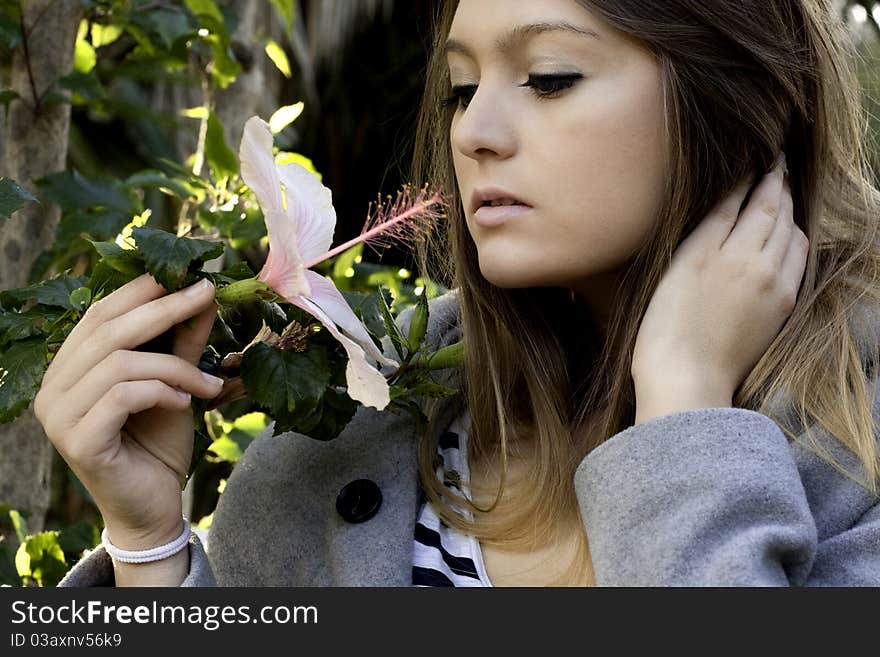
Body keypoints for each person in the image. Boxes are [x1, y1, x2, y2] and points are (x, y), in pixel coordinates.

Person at [47, 0, 880, 587]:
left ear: (734, 100)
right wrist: (149, 543)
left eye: (549, 77)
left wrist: (684, 405)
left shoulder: (861, 452)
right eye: (460, 87)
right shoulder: (342, 440)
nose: (472, 132)